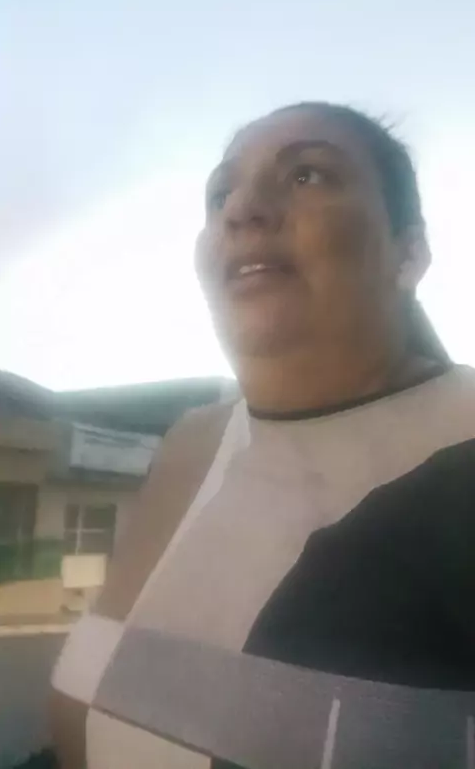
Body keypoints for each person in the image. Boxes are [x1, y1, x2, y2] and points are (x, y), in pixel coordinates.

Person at [50, 102, 475, 769]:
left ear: (409, 253)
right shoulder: (189, 447)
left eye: (308, 175)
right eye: (221, 193)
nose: (242, 210)